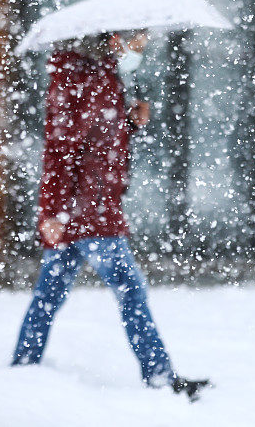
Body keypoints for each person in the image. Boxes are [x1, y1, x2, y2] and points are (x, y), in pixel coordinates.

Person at [11, 30, 210, 401]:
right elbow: (61, 150)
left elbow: (99, 143)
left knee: (48, 295)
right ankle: (160, 377)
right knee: (130, 291)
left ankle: (22, 367)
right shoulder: (80, 79)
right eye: (138, 39)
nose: (143, 46)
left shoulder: (100, 77)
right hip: (89, 212)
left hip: (89, 207)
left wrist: (132, 124)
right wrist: (55, 211)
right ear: (112, 39)